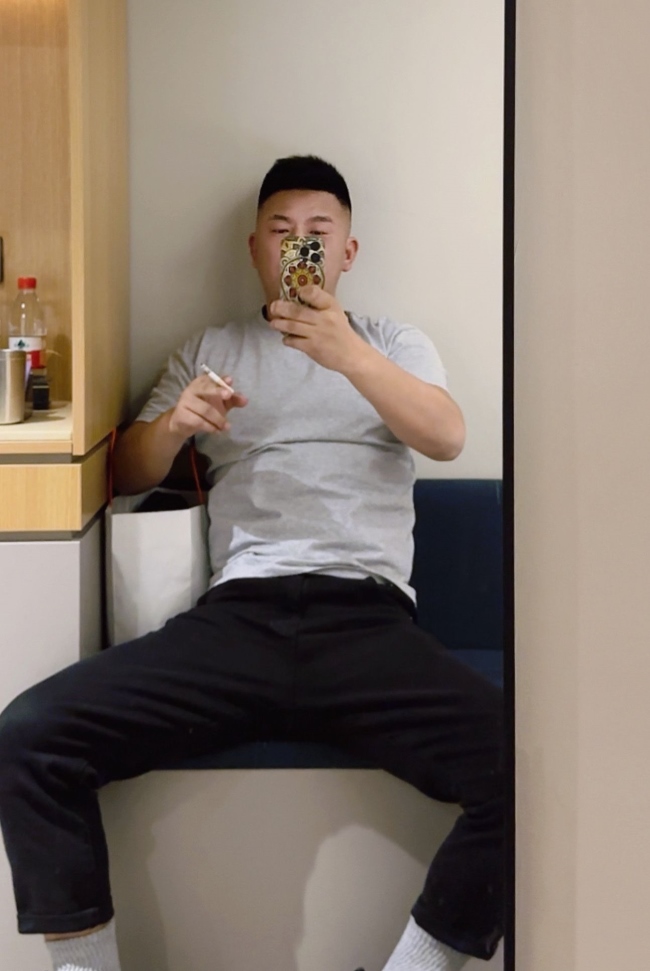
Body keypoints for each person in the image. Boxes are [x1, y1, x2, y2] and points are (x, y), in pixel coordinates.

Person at [0, 155, 503, 971]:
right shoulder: (214, 346)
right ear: (256, 250)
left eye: (318, 233)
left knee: (527, 763)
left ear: (347, 253)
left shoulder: (392, 343)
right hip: (239, 618)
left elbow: (446, 436)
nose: (300, 246)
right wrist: (176, 425)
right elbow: (126, 473)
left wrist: (347, 355)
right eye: (282, 232)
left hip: (366, 620)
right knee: (28, 736)